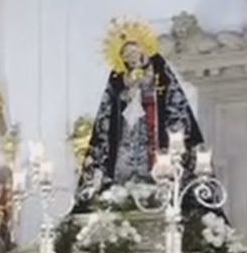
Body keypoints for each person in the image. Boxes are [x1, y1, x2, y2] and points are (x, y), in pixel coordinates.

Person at [75, 20, 204, 206]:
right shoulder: (118, 77)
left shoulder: (158, 69)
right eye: (126, 55)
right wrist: (128, 93)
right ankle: (121, 191)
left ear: (144, 50)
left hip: (153, 129)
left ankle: (159, 187)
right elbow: (109, 111)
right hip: (127, 132)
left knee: (156, 161)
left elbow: (171, 101)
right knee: (124, 162)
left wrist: (146, 89)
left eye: (134, 51)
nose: (131, 57)